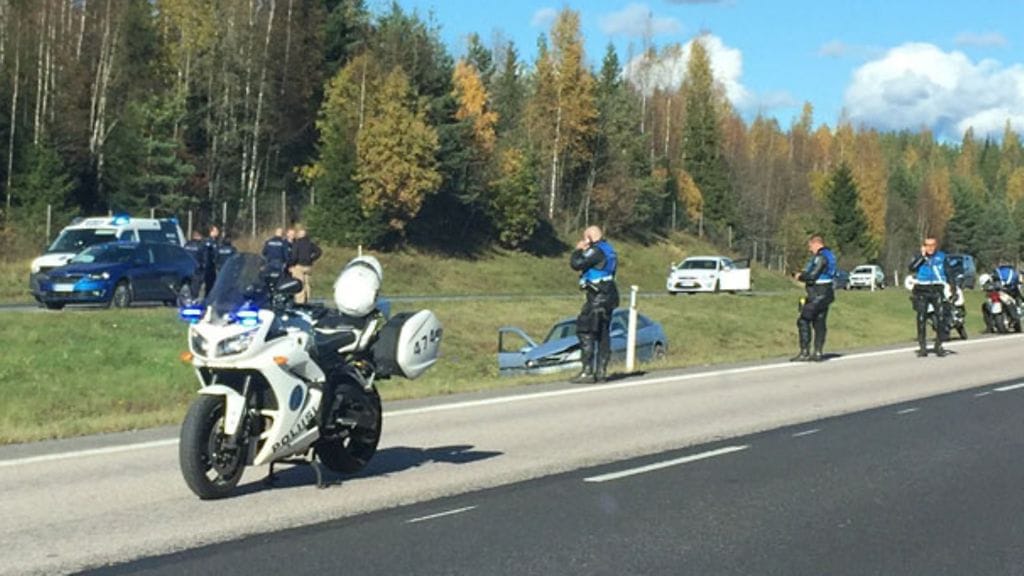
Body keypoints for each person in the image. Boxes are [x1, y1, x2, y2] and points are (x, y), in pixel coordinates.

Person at [569, 225, 620, 383]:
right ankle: (601, 371)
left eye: (585, 238)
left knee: (585, 330)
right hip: (609, 294)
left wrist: (578, 250)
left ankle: (588, 371)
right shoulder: (610, 250)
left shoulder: (596, 251)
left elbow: (577, 263)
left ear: (590, 238)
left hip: (598, 296)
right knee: (603, 333)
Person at [790, 234, 837, 362]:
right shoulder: (830, 255)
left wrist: (800, 276)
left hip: (818, 294)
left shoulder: (821, 257)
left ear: (816, 243)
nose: (809, 249)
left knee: (803, 320)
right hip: (826, 293)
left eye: (810, 245)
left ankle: (805, 352)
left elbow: (813, 275)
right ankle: (818, 352)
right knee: (819, 322)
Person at [909, 237, 951, 357]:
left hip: (937, 288)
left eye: (932, 245)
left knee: (941, 317)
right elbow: (912, 268)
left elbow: (949, 272)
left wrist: (952, 287)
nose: (930, 248)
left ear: (936, 245)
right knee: (921, 318)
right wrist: (922, 257)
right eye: (927, 245)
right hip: (922, 289)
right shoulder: (919, 257)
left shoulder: (942, 257)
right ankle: (922, 347)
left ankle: (939, 345)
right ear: (924, 246)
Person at [288, 225, 322, 304]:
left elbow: (294, 256)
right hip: (308, 266)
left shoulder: (297, 244)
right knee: (307, 284)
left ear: (299, 235)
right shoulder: (310, 243)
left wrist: (290, 264)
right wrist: (312, 258)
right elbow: (319, 251)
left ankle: (300, 301)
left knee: (299, 284)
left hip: (299, 266)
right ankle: (307, 299)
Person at [182, 230, 207, 299]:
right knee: (195, 288)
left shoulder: (187, 245)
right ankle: (193, 299)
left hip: (186, 269)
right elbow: (205, 258)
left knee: (187, 287)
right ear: (199, 236)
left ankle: (186, 299)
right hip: (197, 270)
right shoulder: (201, 246)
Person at [201, 225, 221, 297]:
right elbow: (204, 254)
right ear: (211, 232)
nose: (218, 232)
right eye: (216, 231)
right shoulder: (207, 242)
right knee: (208, 284)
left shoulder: (216, 242)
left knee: (213, 284)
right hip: (207, 267)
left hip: (213, 267)